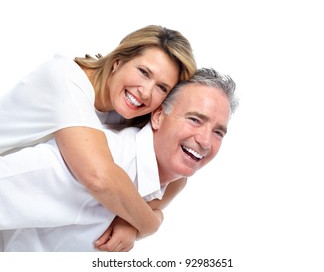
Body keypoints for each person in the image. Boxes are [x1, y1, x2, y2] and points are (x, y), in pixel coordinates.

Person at [0, 68, 239, 252]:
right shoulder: (91, 163)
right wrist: (148, 224)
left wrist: (136, 223)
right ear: (157, 117)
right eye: (195, 120)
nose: (206, 141)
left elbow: (158, 203)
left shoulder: (167, 179)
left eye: (218, 131)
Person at [0, 25, 197, 238]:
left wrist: (128, 221)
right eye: (143, 72)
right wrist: (150, 223)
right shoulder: (64, 79)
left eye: (162, 88)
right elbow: (98, 177)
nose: (146, 92)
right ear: (118, 61)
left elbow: (174, 172)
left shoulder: (127, 110)